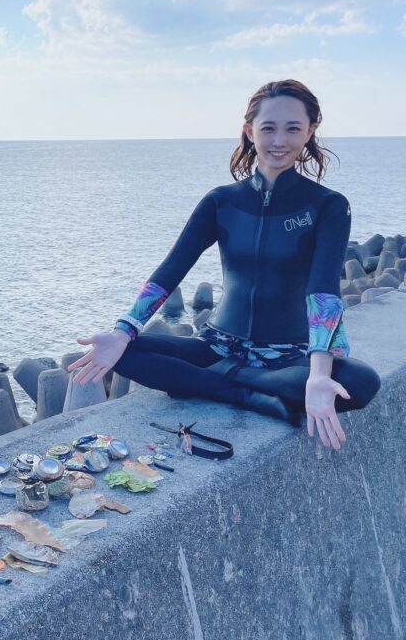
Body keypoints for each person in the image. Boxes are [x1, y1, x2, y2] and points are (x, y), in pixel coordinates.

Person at [67, 79, 380, 451]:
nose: (279, 140)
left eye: (293, 128)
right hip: (216, 345)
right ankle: (246, 393)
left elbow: (324, 291)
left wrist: (317, 374)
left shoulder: (328, 205)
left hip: (290, 354)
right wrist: (123, 330)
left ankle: (223, 382)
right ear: (249, 131)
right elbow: (171, 270)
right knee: (123, 352)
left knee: (362, 382)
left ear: (310, 131)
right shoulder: (221, 202)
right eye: (268, 128)